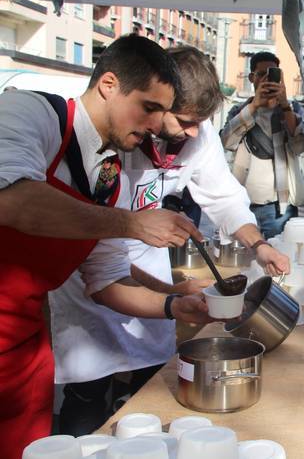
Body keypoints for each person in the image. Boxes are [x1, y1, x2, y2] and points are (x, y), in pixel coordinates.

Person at [49, 46, 291, 436]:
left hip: (147, 269)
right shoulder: (115, 139)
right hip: (90, 279)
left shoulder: (197, 134)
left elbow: (223, 196)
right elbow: (99, 257)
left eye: (201, 122)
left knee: (151, 387)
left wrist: (259, 246)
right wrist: (167, 289)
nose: (194, 132)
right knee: (89, 391)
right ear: (156, 107)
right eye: (183, 120)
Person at [0, 35, 211, 458]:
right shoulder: (27, 114)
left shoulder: (108, 182)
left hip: (22, 350)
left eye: (164, 113)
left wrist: (173, 305)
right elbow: (14, 201)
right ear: (109, 85)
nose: (156, 126)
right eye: (149, 108)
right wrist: (132, 223)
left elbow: (106, 282)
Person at [221, 51, 304, 238]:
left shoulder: (292, 110)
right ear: (252, 77)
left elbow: (300, 146)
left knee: (276, 259)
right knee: (243, 261)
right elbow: (227, 142)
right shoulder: (239, 110)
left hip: (279, 205)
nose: (267, 79)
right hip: (242, 201)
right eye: (262, 74)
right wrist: (253, 107)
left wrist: (284, 104)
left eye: (273, 74)